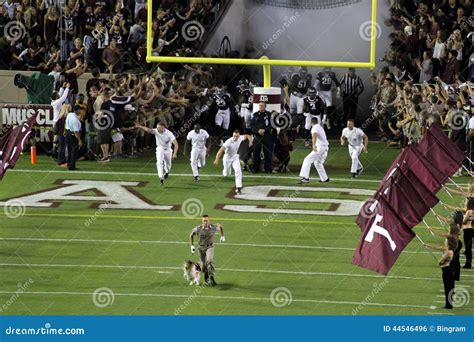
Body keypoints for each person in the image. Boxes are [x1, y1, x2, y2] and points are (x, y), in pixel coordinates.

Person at [135, 122, 178, 186]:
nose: (157, 129)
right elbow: (148, 130)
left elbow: (176, 144)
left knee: (168, 165)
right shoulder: (156, 131)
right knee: (159, 162)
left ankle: (167, 171)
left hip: (168, 150)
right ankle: (161, 177)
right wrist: (140, 126)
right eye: (157, 127)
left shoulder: (169, 134)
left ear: (163, 128)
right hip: (160, 148)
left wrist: (174, 154)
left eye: (158, 128)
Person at [189, 214, 225, 286]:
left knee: (209, 261)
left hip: (210, 247)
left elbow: (220, 226)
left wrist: (222, 236)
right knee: (204, 265)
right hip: (201, 248)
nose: (205, 222)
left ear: (209, 220)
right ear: (202, 221)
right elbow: (191, 235)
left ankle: (211, 277)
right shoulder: (198, 229)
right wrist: (192, 246)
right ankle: (206, 274)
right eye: (204, 221)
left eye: (207, 221)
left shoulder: (213, 227)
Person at [423, 235, 458, 309]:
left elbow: (441, 261)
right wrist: (427, 246)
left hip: (447, 271)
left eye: (445, 241)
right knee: (447, 288)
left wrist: (440, 261)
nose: (444, 242)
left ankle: (449, 305)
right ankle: (449, 304)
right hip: (446, 271)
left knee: (447, 288)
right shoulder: (446, 249)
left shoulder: (449, 252)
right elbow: (437, 248)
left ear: (448, 243)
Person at [213, 130, 252, 195]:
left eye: (236, 136)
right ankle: (225, 172)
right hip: (227, 158)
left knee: (238, 171)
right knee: (226, 174)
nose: (235, 138)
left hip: (235, 157)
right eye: (234, 136)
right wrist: (216, 160)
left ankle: (238, 188)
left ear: (239, 136)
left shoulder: (240, 138)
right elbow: (220, 151)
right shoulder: (228, 142)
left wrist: (250, 142)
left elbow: (248, 136)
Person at [298, 117, 330, 184]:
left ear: (311, 122)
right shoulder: (320, 127)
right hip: (325, 148)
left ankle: (305, 178)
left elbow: (314, 135)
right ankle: (325, 179)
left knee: (307, 159)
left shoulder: (314, 128)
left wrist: (313, 145)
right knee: (318, 163)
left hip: (320, 148)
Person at [250, 102, 273, 174]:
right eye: (259, 105)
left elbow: (271, 126)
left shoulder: (269, 115)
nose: (260, 107)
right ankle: (254, 169)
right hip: (257, 137)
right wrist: (257, 131)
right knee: (256, 153)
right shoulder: (255, 115)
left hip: (267, 136)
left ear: (265, 106)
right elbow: (252, 126)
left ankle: (268, 169)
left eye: (262, 105)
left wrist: (264, 130)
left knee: (268, 153)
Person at [64, 105, 83, 171]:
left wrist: (65, 131)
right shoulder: (75, 120)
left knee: (69, 150)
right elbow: (76, 132)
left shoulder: (70, 114)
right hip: (72, 135)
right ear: (77, 110)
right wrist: (79, 141)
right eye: (80, 110)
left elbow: (65, 123)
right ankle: (72, 166)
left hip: (67, 133)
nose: (81, 111)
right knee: (73, 151)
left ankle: (68, 164)